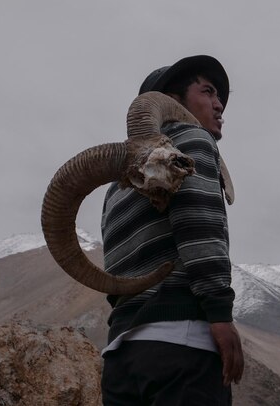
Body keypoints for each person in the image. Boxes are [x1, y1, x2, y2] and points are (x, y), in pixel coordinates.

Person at [100, 55, 243, 405]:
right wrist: (220, 315)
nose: (219, 103)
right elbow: (198, 225)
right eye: (207, 91)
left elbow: (117, 275)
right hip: (183, 349)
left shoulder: (115, 189)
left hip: (121, 357)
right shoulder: (192, 140)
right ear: (173, 101)